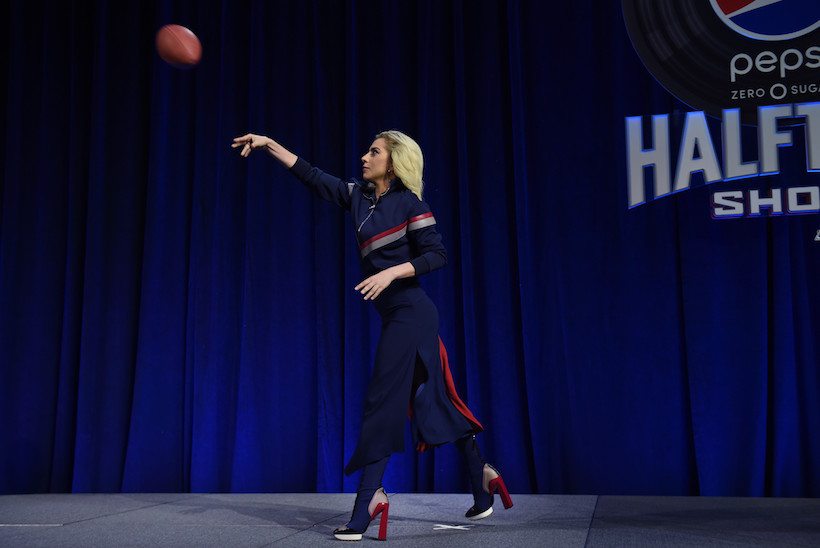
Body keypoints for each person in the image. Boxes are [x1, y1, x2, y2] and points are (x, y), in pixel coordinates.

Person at [231, 130, 513, 541]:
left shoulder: (410, 204)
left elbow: (437, 255)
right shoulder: (358, 197)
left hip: (413, 315)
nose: (364, 157)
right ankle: (482, 476)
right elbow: (310, 174)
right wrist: (269, 144)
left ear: (394, 162)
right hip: (396, 318)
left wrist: (390, 272)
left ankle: (368, 501)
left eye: (374, 151)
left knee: (384, 401)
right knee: (434, 403)